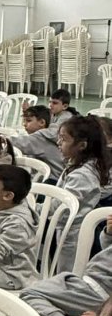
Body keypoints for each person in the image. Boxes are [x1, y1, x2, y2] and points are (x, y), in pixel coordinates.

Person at [22, 214, 112, 316]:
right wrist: (109, 234)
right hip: (89, 282)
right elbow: (108, 252)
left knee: (29, 294)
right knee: (34, 291)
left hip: (97, 292)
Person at [50, 116, 111, 273]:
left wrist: (33, 208)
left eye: (63, 139)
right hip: (66, 228)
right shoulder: (78, 165)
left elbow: (62, 206)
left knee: (68, 272)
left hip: (74, 234)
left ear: (82, 145)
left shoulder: (83, 175)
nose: (58, 143)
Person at [11, 105, 65, 182]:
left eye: (28, 121)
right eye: (24, 121)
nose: (24, 124)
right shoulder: (51, 132)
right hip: (58, 177)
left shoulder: (40, 138)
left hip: (51, 180)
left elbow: (18, 143)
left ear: (42, 122)